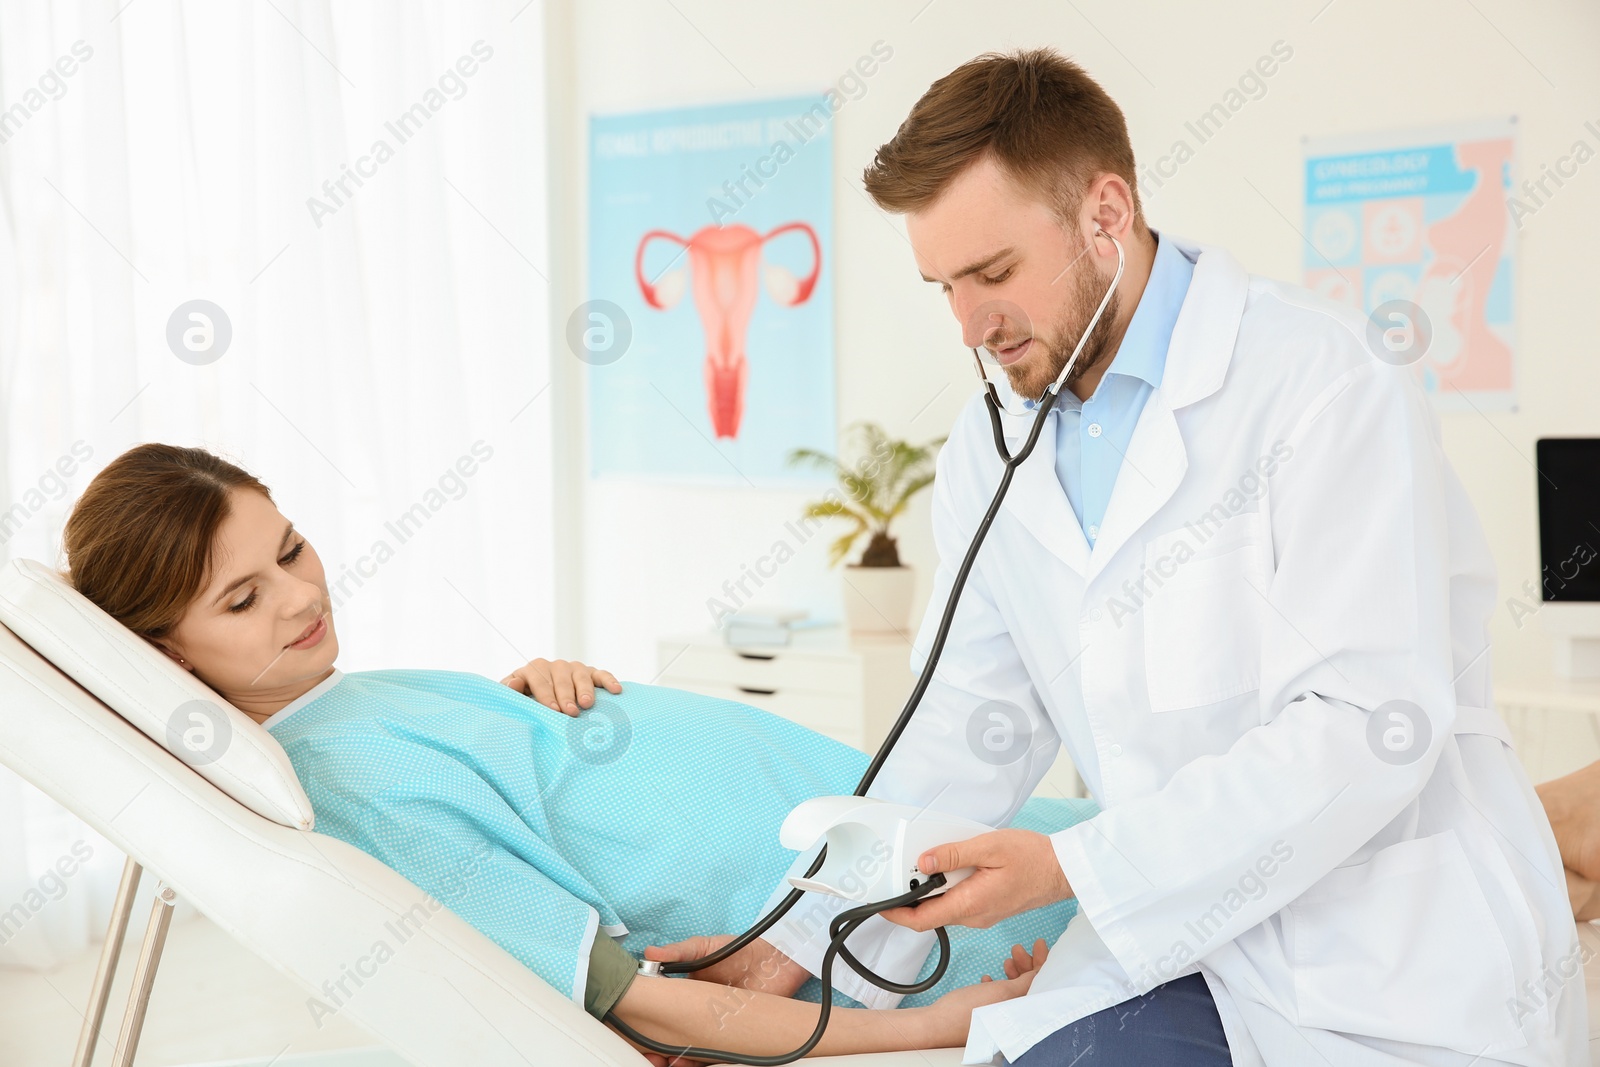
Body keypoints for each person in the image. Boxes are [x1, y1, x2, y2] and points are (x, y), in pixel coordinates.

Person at [648, 47, 1585, 1065]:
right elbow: (970, 722)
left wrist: (1073, 865)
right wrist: (784, 947)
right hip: (1177, 939)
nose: (969, 324)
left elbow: (1366, 728)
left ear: (1106, 212)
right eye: (943, 286)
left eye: (993, 273)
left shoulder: (1324, 381)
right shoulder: (992, 444)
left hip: (1379, 956)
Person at [60, 441, 1094, 1063]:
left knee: (1153, 846)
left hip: (878, 818)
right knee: (1168, 895)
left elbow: (498, 790)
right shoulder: (341, 790)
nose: (299, 594)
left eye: (289, 548)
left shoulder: (338, 705)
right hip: (883, 922)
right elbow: (644, 1003)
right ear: (166, 654)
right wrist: (938, 1027)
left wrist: (527, 718)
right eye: (242, 599)